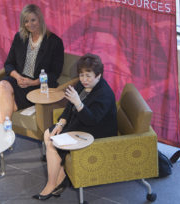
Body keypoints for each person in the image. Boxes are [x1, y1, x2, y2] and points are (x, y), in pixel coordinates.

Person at [0, 4, 64, 171]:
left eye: (33, 20)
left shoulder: (54, 42)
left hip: (37, 87)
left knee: (2, 105)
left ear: (40, 19)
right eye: (26, 21)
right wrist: (17, 77)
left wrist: (33, 82)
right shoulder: (20, 38)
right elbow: (8, 64)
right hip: (17, 82)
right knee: (2, 84)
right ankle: (3, 134)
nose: (30, 24)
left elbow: (55, 74)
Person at [33, 53, 118, 200]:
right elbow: (69, 105)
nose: (84, 79)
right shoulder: (82, 84)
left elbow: (92, 120)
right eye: (81, 75)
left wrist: (79, 103)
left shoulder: (104, 94)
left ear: (99, 76)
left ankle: (51, 184)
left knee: (53, 145)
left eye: (88, 76)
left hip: (96, 132)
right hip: (80, 123)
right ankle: (61, 177)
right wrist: (61, 122)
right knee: (49, 133)